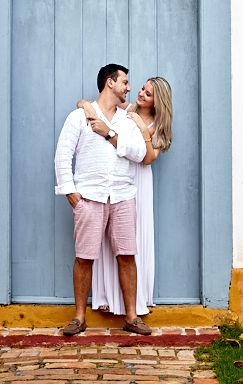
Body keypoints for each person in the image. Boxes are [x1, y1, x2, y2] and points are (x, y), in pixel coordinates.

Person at [53, 64, 152, 336]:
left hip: (122, 195)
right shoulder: (78, 117)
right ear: (110, 83)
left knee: (127, 255)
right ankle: (78, 318)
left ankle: (132, 318)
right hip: (90, 197)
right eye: (125, 82)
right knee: (84, 257)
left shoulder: (127, 120)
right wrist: (70, 192)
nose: (129, 88)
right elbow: (63, 156)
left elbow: (139, 152)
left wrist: (108, 133)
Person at [80, 77, 173, 317]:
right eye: (142, 88)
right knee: (113, 239)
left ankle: (135, 301)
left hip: (140, 180)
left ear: (157, 102)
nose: (141, 94)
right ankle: (108, 298)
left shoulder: (158, 125)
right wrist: (89, 109)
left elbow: (148, 157)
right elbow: (84, 103)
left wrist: (141, 128)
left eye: (148, 94)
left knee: (133, 241)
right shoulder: (128, 109)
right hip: (120, 177)